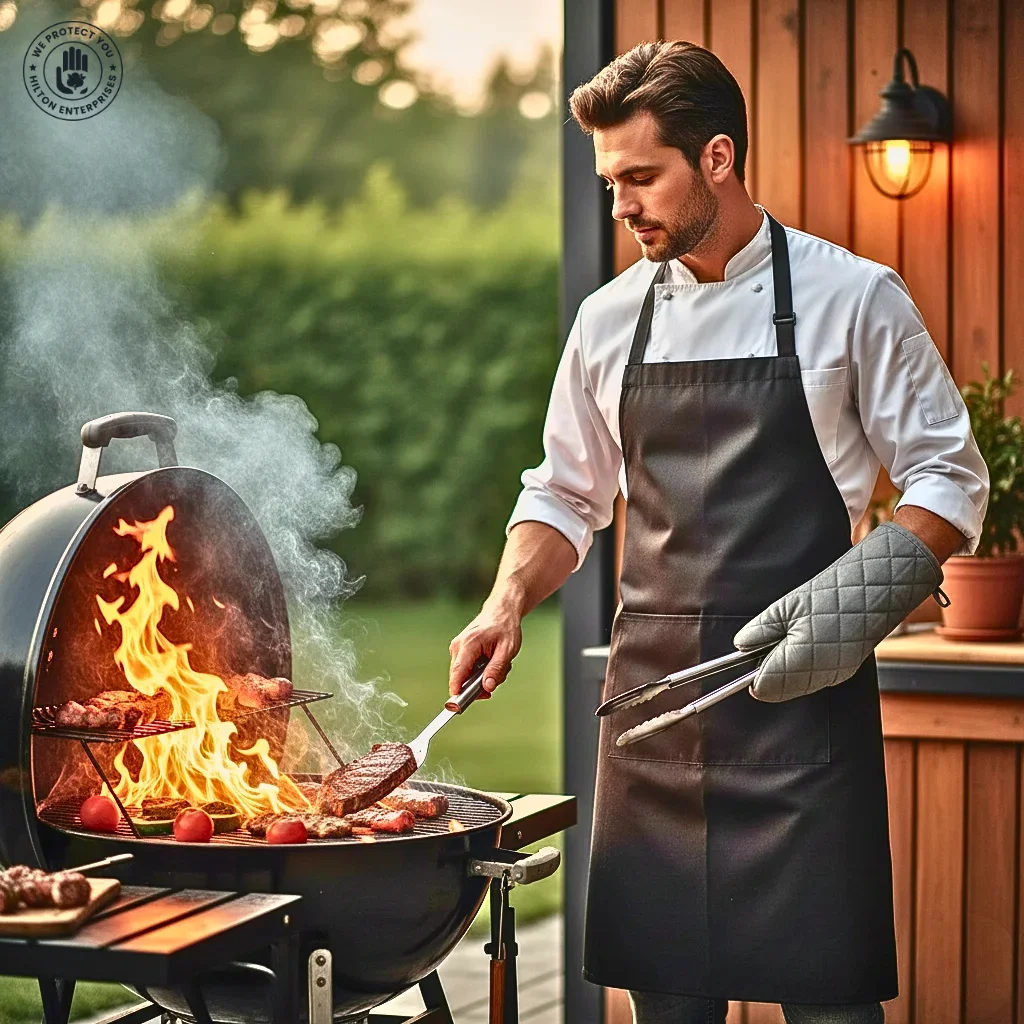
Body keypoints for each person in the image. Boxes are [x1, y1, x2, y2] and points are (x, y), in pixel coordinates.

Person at [447, 40, 989, 1024]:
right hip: (653, 727)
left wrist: (849, 607)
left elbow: (949, 478)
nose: (622, 206)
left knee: (830, 1007)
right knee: (665, 1009)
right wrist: (503, 604)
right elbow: (566, 493)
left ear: (719, 159)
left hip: (802, 717)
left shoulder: (853, 297)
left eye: (641, 177)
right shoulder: (608, 320)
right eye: (611, 181)